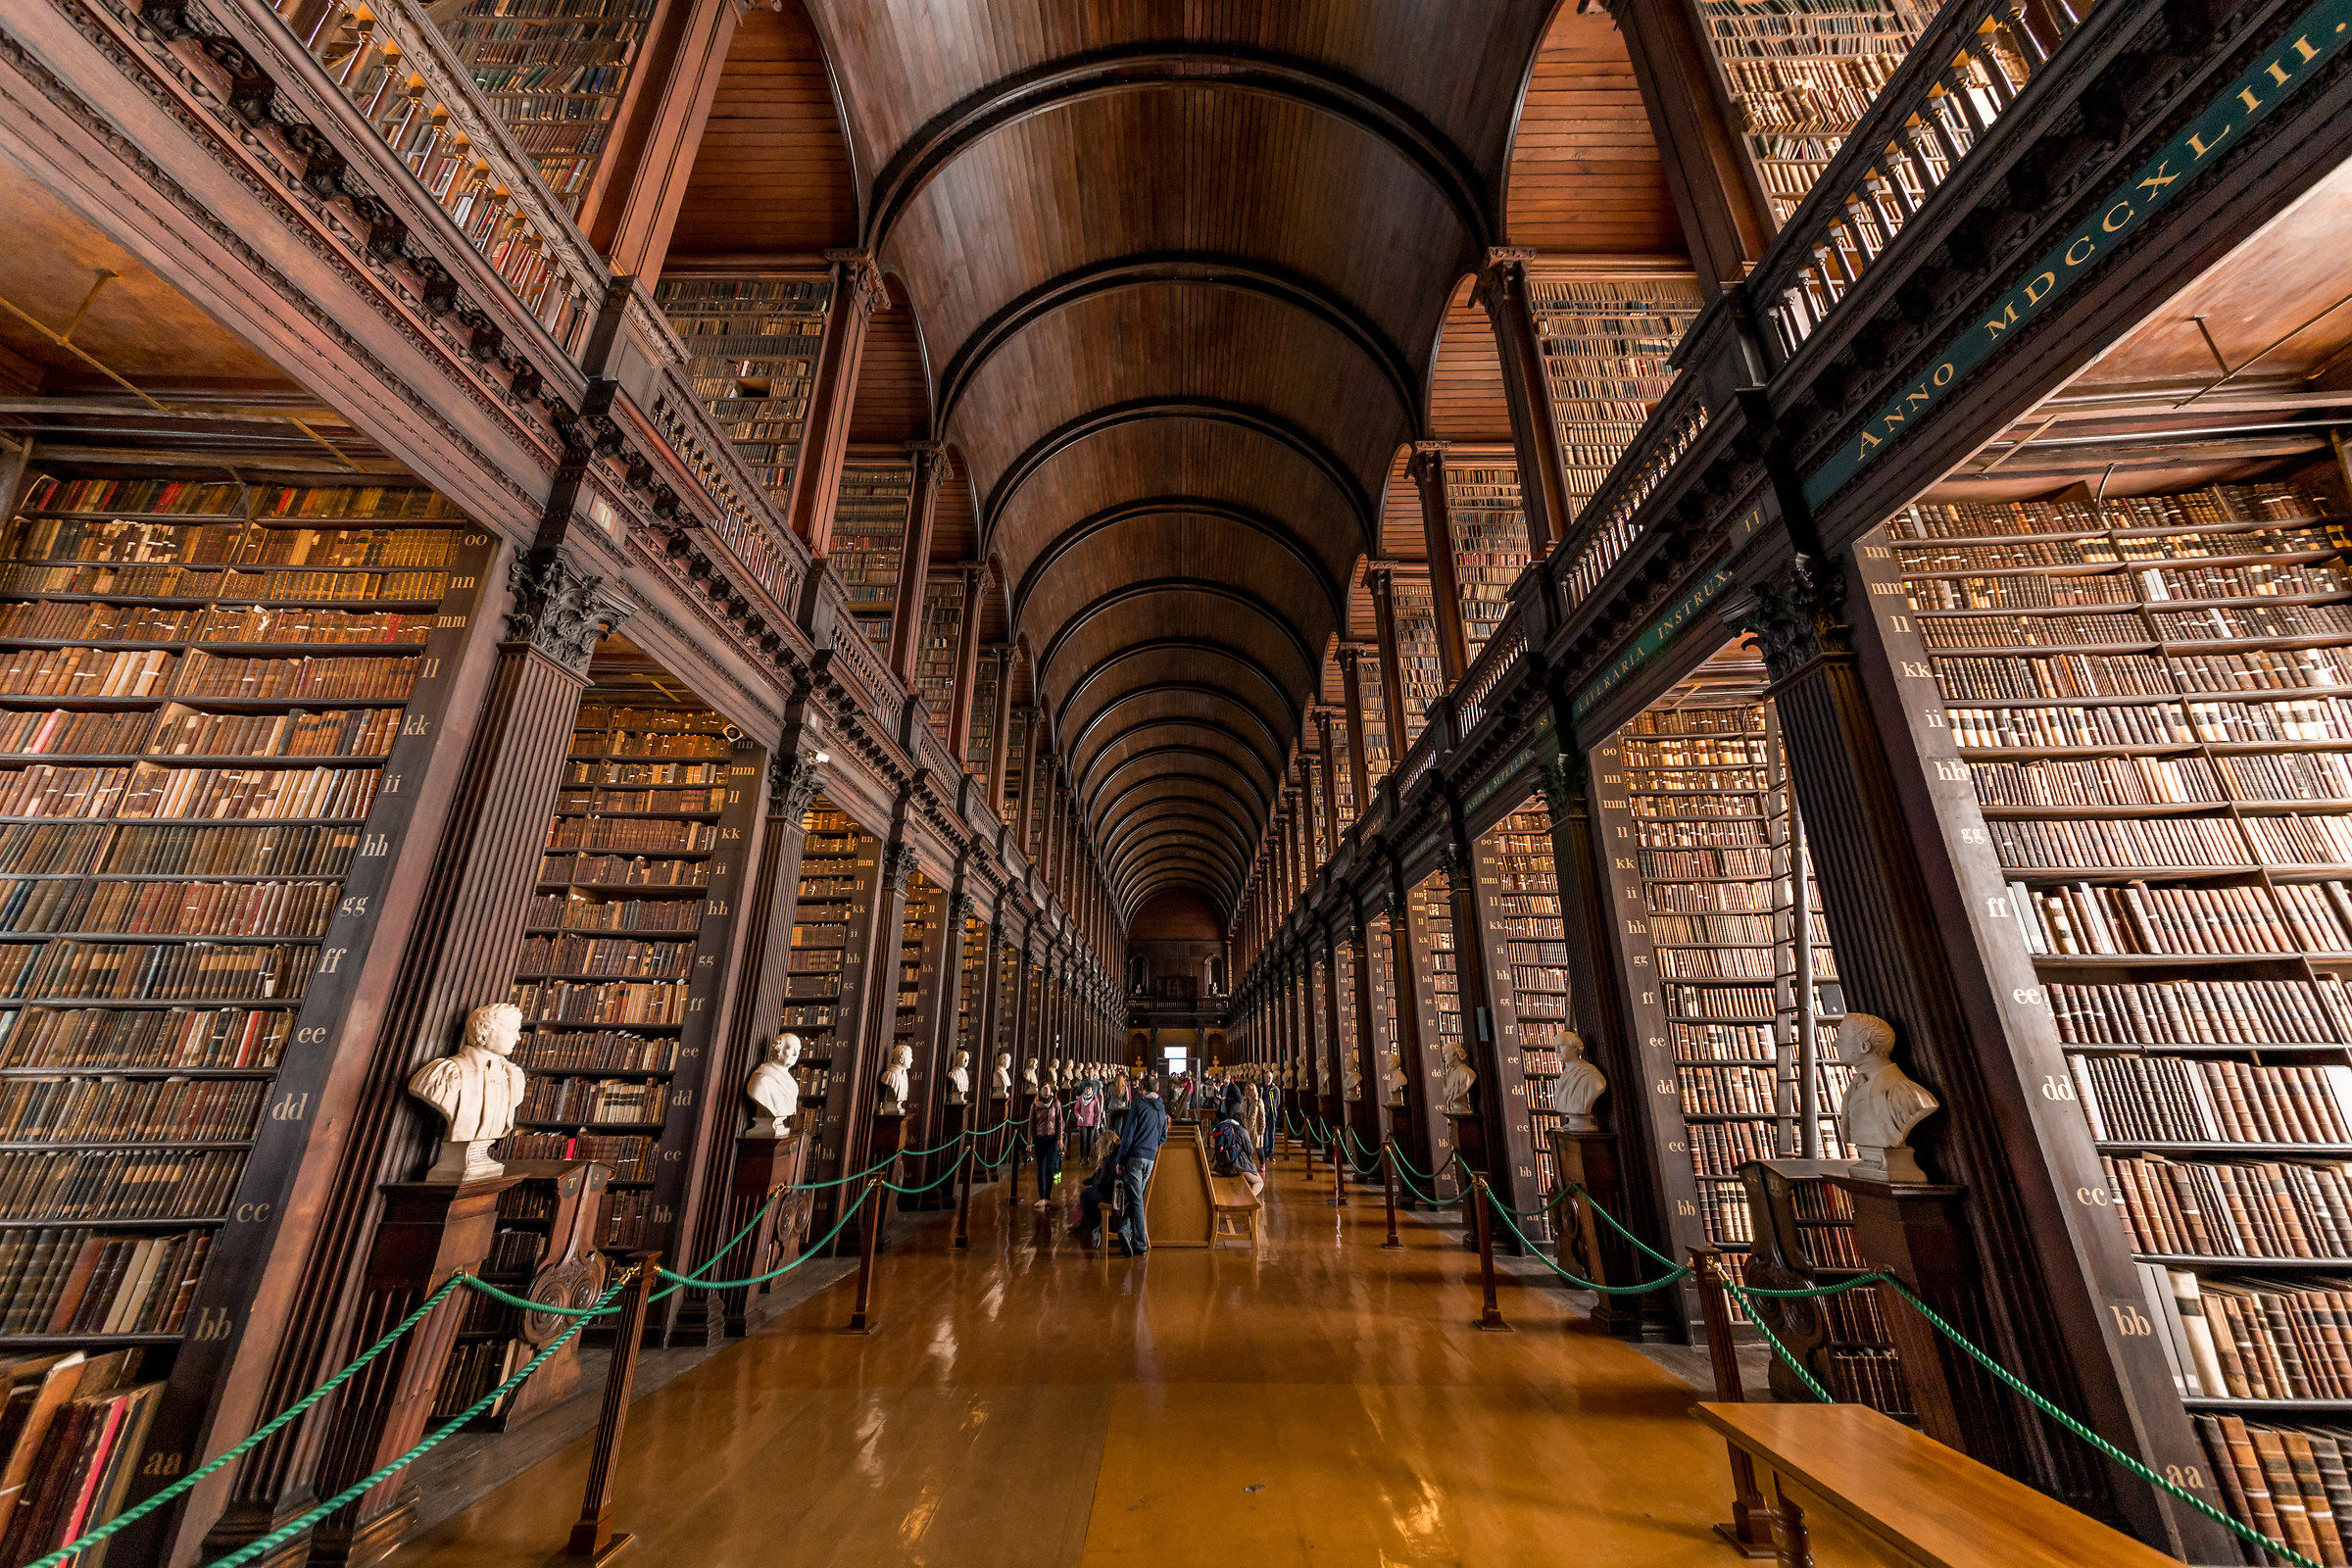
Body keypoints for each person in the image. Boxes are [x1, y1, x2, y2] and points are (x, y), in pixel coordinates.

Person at [1076, 1076, 1167, 1254]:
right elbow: (1163, 1137)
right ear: (1157, 1089)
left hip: (1135, 1157)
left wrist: (1120, 1160)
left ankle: (1139, 1243)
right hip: (1150, 1157)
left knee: (1136, 1200)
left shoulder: (1139, 1104)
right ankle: (1125, 1230)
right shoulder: (1161, 1108)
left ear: (1142, 1088)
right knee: (1136, 1198)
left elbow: (1128, 1135)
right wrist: (1151, 1144)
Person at [1210, 1103, 1262, 1198]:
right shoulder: (1242, 1131)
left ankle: (1238, 1197)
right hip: (1239, 1167)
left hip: (1222, 1167)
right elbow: (1249, 1150)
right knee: (1259, 1182)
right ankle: (1249, 1199)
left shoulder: (1220, 1129)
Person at [1029, 1083, 1063, 1208]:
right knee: (1041, 1168)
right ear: (1040, 1090)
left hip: (1052, 1139)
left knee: (1049, 1168)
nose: (1047, 1089)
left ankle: (1047, 1196)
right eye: (1044, 1087)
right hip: (1039, 1139)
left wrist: (1060, 1139)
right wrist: (1029, 1141)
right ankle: (1042, 1197)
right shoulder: (1035, 1104)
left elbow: (1059, 1121)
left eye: (1048, 1087)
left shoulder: (1055, 1103)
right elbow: (1031, 1122)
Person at [1073, 1078, 1103, 1160]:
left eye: (1089, 1089)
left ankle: (1087, 1157)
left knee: (1089, 1141)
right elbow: (1076, 1109)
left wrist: (1097, 1123)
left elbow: (1097, 1112)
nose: (1087, 1090)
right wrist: (1078, 1116)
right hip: (1082, 1122)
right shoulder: (1080, 1098)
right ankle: (1082, 1157)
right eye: (1086, 1089)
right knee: (1083, 1140)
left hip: (1091, 1123)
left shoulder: (1095, 1099)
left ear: (1092, 1090)